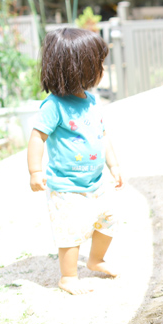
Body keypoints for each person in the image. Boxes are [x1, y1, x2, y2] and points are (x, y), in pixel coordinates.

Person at [27, 28, 122, 296]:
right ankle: (68, 277)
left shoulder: (91, 101)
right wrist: (35, 171)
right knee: (70, 230)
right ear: (80, 68)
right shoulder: (53, 106)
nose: (103, 68)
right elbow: (37, 138)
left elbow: (103, 136)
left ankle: (96, 259)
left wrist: (113, 166)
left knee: (109, 218)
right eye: (99, 63)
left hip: (96, 182)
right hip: (66, 185)